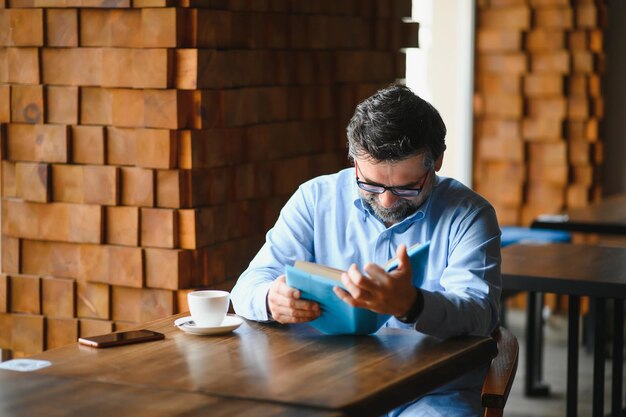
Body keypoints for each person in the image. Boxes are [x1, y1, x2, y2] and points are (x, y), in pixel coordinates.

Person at [231, 84, 502, 416]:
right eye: (370, 184)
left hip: (431, 393)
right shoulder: (315, 199)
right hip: (324, 384)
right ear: (354, 159)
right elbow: (248, 284)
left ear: (437, 163)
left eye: (406, 187)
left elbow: (480, 313)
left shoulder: (469, 215)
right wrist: (271, 299)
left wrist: (413, 305)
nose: (386, 201)